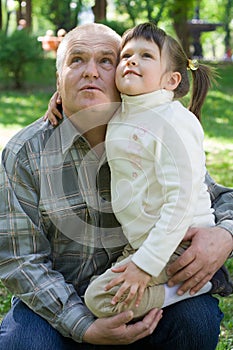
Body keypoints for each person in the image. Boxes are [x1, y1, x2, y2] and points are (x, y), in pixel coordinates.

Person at [0, 23, 232, 350]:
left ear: (124, 78)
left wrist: (225, 234)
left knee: (197, 319)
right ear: (58, 79)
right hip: (57, 306)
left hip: (139, 293)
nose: (91, 72)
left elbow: (207, 195)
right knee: (26, 343)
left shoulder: (148, 132)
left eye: (106, 61)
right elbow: (21, 259)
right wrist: (82, 324)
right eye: (76, 60)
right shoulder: (25, 153)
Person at [83, 22, 232, 319]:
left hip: (178, 241)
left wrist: (145, 265)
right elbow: (87, 97)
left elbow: (181, 200)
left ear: (171, 80)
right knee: (96, 293)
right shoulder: (125, 110)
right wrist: (60, 99)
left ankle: (202, 283)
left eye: (146, 56)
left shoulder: (172, 121)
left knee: (98, 300)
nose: (131, 61)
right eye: (125, 56)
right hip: (144, 241)